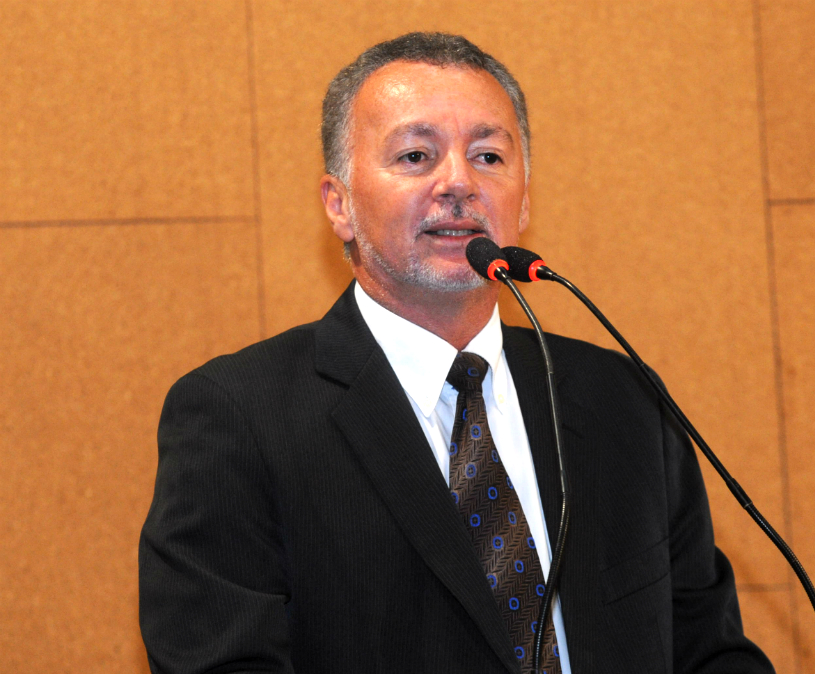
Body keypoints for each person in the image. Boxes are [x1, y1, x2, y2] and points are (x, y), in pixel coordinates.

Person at [139, 32, 774, 674]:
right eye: (416, 155)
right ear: (339, 204)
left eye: (488, 157)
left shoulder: (624, 400)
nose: (458, 183)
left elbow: (708, 652)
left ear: (524, 201)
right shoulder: (239, 417)